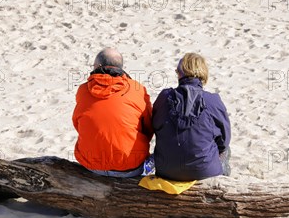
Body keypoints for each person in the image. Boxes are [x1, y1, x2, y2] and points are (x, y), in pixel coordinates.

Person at [72, 47, 153, 177]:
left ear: (98, 66)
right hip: (129, 166)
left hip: (91, 165)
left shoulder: (83, 90)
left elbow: (77, 123)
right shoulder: (137, 89)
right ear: (120, 67)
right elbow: (149, 127)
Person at [152, 53, 231, 181]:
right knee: (226, 150)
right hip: (203, 171)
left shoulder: (164, 97)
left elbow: (155, 126)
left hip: (166, 170)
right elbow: (224, 140)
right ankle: (222, 183)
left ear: (179, 74)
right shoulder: (212, 101)